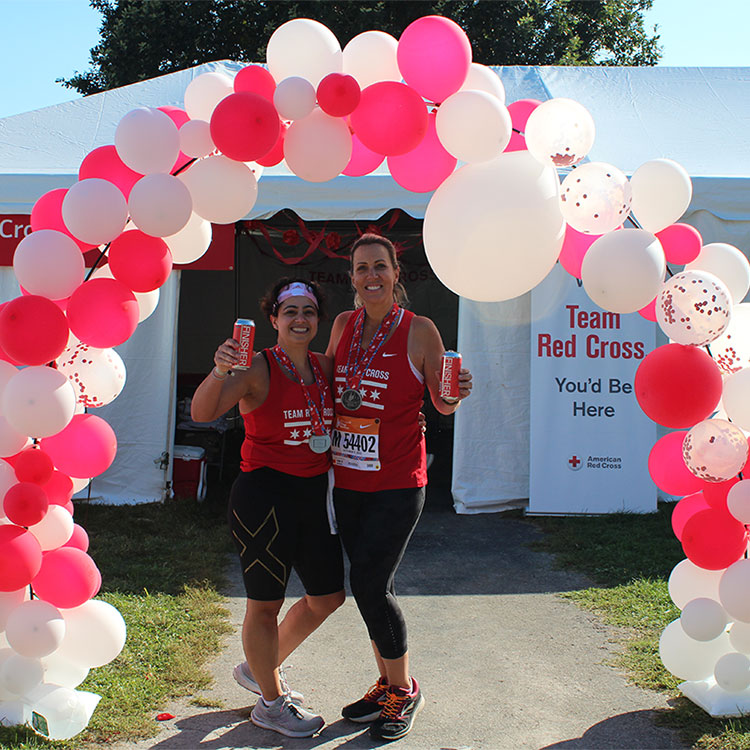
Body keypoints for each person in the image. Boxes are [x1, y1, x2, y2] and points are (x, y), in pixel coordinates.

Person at [325, 233, 472, 742]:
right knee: (374, 587)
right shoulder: (343, 325)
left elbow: (443, 403)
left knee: (368, 583)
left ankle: (404, 690)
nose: (371, 276)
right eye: (362, 268)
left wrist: (457, 390)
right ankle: (388, 684)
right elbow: (329, 387)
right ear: (352, 278)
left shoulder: (420, 330)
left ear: (395, 274)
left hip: (396, 481)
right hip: (347, 478)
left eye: (380, 267)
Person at [191, 278, 344, 739]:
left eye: (309, 312)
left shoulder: (324, 366)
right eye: (290, 311)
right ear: (273, 319)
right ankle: (272, 704)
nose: (300, 319)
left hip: (316, 494)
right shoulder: (256, 366)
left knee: (327, 597)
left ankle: (261, 669)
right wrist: (219, 371)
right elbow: (202, 413)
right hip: (265, 497)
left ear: (318, 320)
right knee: (264, 605)